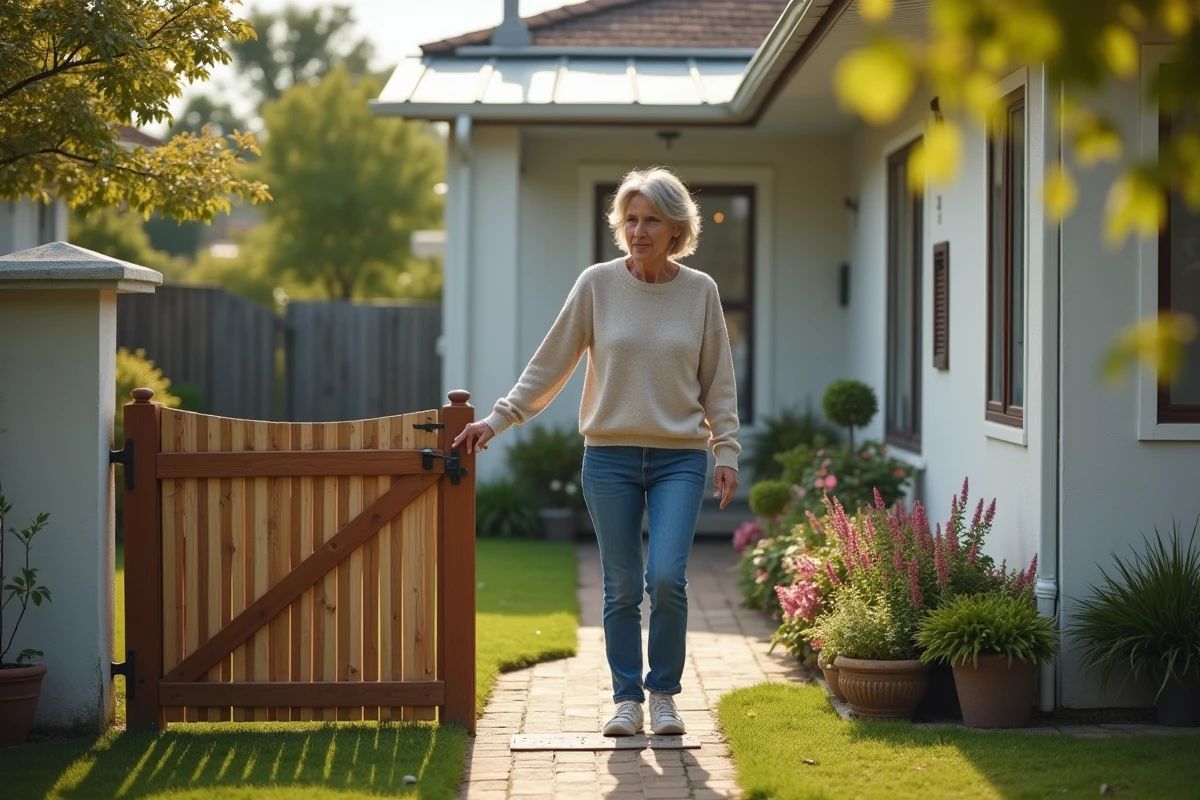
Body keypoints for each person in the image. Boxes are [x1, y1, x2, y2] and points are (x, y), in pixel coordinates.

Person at [453, 166, 740, 736]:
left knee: (666, 579)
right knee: (623, 585)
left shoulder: (700, 292)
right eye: (630, 219)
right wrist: (500, 417)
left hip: (679, 458)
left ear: (676, 229)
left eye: (652, 220)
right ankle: (626, 700)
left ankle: (663, 696)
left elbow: (719, 380)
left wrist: (725, 450)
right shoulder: (597, 285)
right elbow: (552, 362)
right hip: (608, 456)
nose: (639, 230)